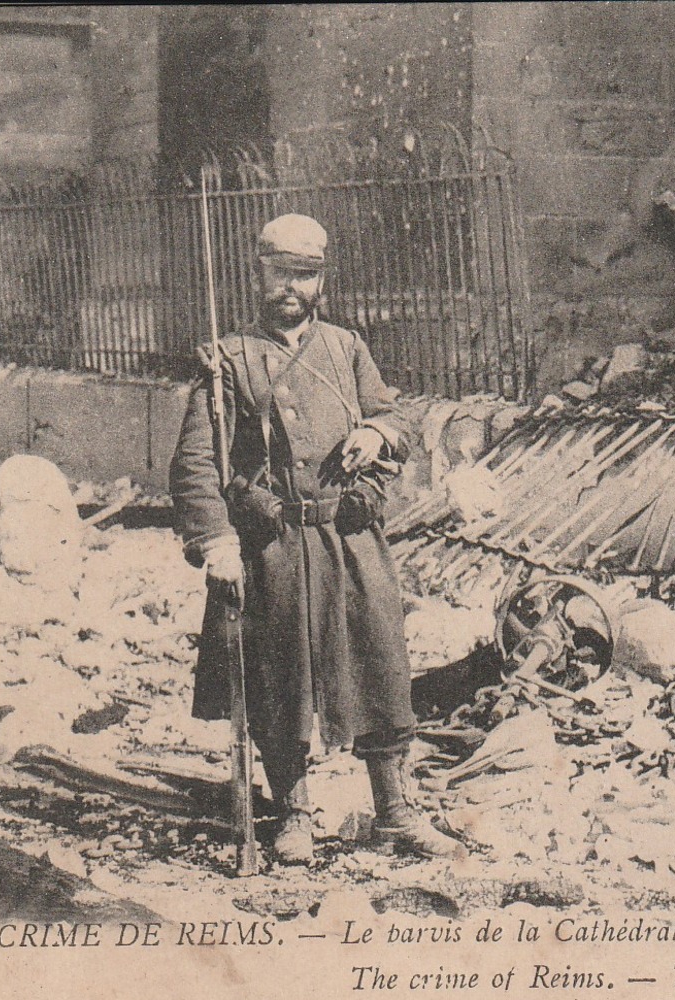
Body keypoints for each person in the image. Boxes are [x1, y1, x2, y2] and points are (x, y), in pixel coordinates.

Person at [170, 213, 460, 864]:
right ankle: (293, 814)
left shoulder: (346, 348)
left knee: (380, 667)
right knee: (282, 678)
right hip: (274, 545)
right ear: (258, 273)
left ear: (321, 281)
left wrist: (376, 434)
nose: (290, 288)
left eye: (304, 275)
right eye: (279, 272)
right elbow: (194, 465)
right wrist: (215, 543)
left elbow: (394, 416)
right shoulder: (227, 360)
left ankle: (396, 812)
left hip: (349, 535)